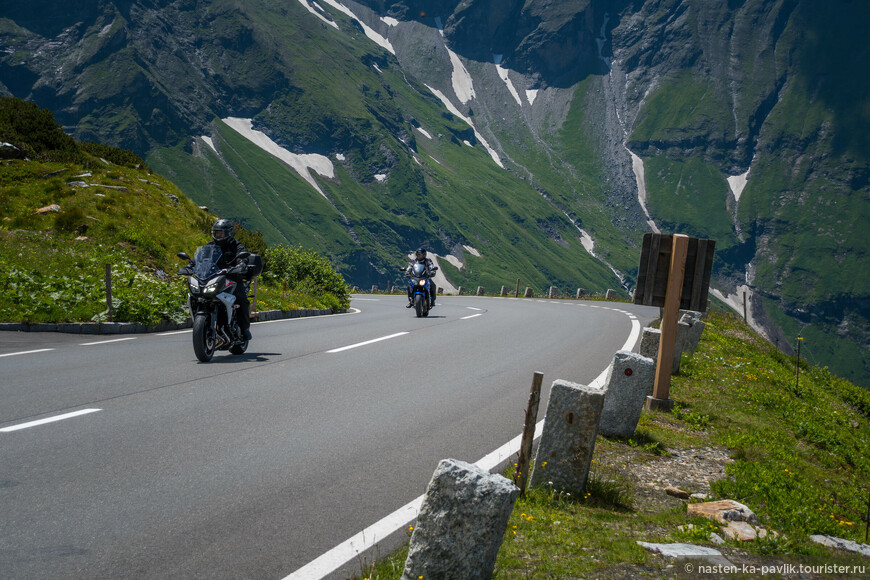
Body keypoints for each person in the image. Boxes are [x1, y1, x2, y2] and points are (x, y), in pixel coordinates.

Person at [206, 219, 252, 340]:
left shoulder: (236, 245)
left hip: (233, 279)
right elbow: (200, 258)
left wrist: (241, 264)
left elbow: (243, 255)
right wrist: (191, 265)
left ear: (228, 233)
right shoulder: (210, 246)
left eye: (221, 233)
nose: (218, 235)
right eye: (216, 233)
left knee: (241, 299)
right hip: (214, 279)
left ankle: (244, 328)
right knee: (200, 297)